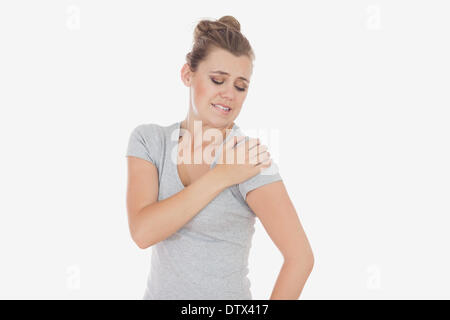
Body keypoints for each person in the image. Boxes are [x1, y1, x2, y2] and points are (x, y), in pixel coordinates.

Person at [125, 16, 314, 300]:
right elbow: (143, 232)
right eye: (217, 80)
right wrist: (221, 176)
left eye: (241, 86)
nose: (229, 95)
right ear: (187, 74)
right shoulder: (150, 141)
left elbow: (300, 258)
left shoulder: (248, 158)